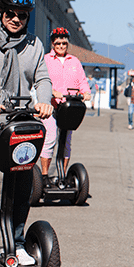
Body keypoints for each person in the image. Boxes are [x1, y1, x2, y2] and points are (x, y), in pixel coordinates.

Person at [0, 0, 53, 266]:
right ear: (2, 12)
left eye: (22, 15)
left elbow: (43, 79)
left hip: (18, 120)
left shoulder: (34, 45)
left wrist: (44, 101)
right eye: (11, 13)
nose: (16, 19)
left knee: (21, 184)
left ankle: (17, 242)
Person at [40, 27, 91, 179]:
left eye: (64, 43)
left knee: (66, 142)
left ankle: (62, 176)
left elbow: (82, 81)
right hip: (52, 106)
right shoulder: (46, 60)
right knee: (50, 139)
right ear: (52, 44)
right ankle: (43, 176)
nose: (61, 46)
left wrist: (86, 92)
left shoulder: (74, 61)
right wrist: (52, 91)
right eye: (58, 44)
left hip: (69, 108)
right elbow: (42, 79)